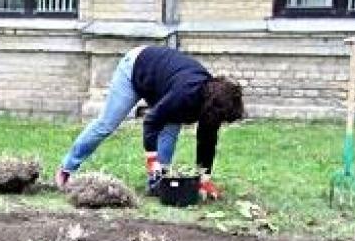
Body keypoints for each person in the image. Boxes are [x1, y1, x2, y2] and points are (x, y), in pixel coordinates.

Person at [54, 45, 244, 200]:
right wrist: (152, 160)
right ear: (212, 106)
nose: (220, 123)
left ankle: (158, 184)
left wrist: (204, 178)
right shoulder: (184, 95)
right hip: (135, 68)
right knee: (106, 124)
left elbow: (207, 140)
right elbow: (151, 121)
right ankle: (66, 168)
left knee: (170, 130)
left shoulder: (212, 104)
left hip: (162, 82)